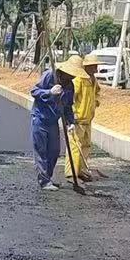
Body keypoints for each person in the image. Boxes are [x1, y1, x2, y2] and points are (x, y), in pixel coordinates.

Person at [30, 57, 75, 191]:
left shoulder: (70, 85)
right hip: (40, 118)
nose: (72, 76)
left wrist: (70, 122)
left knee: (54, 151)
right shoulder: (50, 76)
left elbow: (68, 106)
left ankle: (47, 177)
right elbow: (34, 91)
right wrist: (49, 92)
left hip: (53, 120)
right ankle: (44, 181)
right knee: (41, 151)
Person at [64, 51, 102, 183]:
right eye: (92, 66)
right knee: (75, 146)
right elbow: (72, 98)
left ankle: (80, 170)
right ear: (85, 66)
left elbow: (97, 91)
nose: (95, 68)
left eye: (95, 66)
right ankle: (71, 173)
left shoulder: (93, 80)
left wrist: (96, 101)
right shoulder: (79, 80)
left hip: (88, 119)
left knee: (85, 146)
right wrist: (71, 116)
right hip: (78, 119)